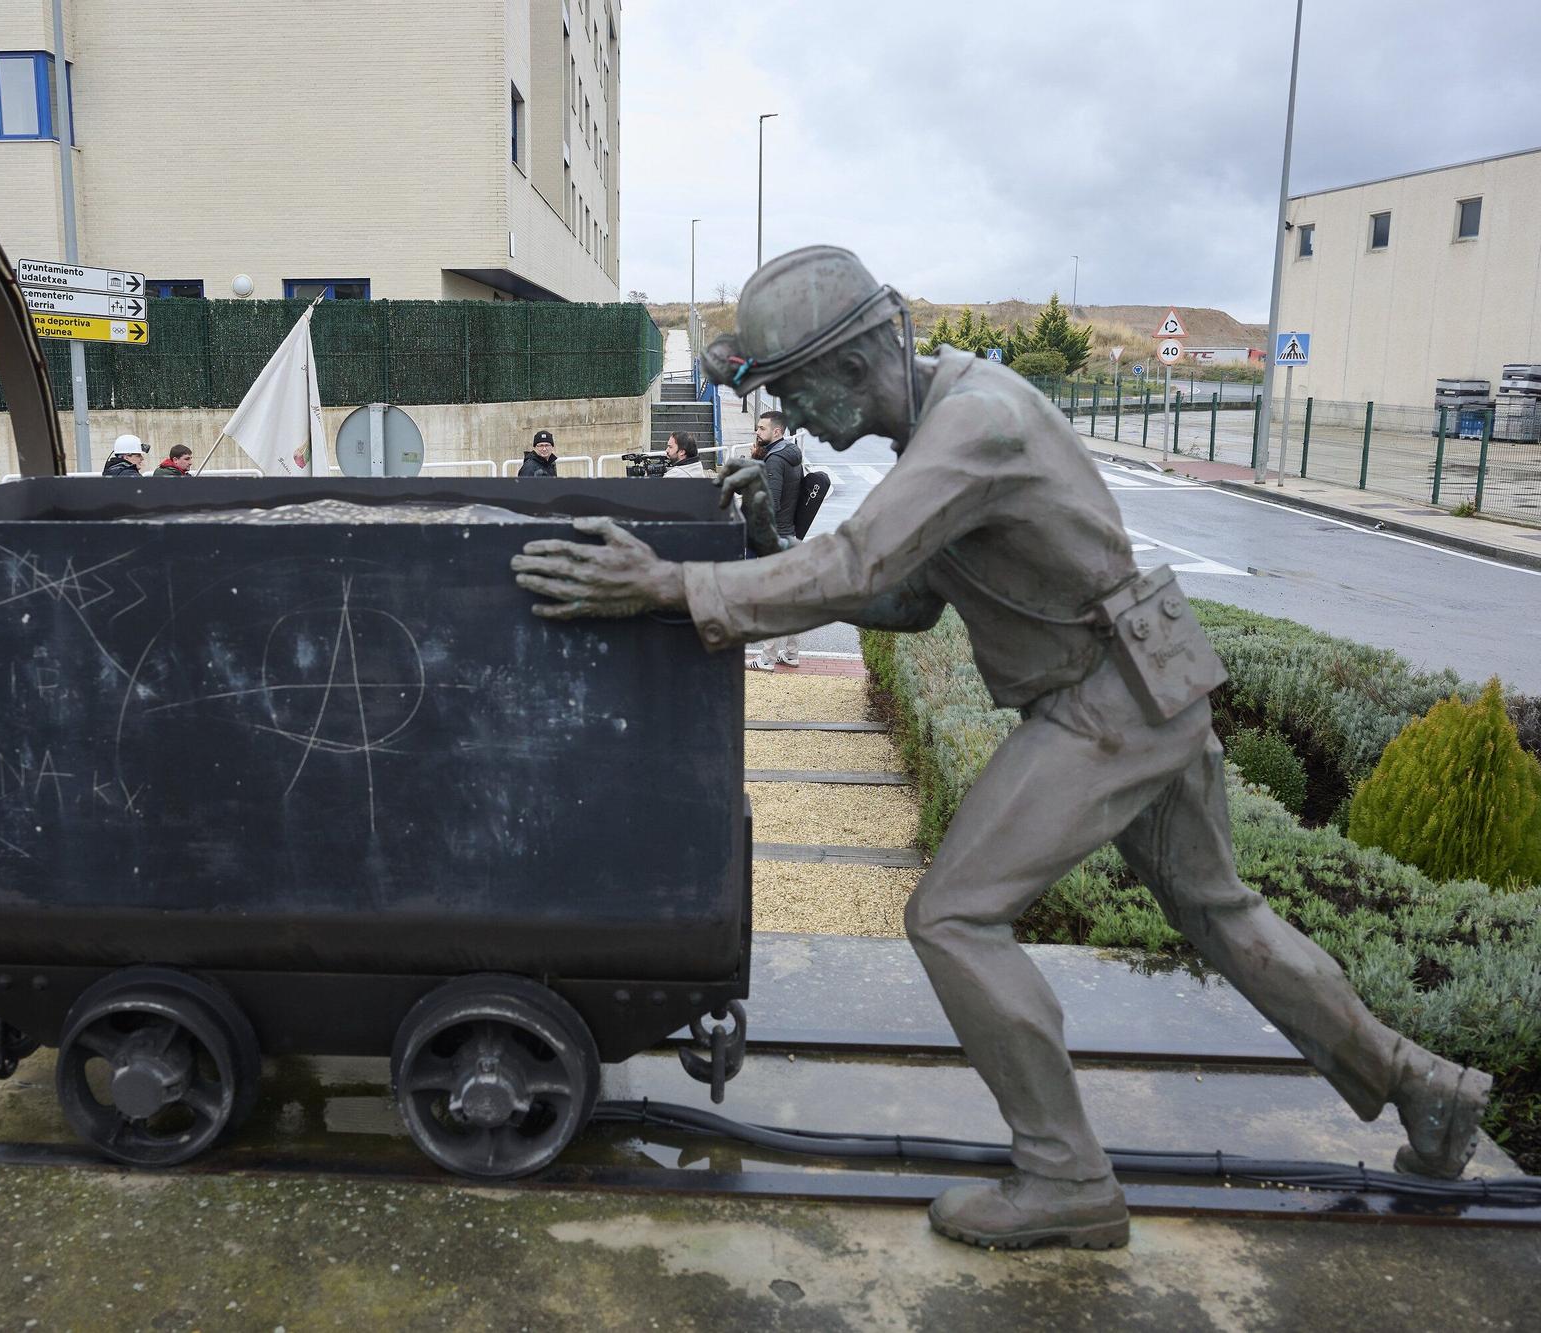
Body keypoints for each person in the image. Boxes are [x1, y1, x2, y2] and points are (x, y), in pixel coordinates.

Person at [510, 245, 1491, 1252]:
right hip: (1144, 680)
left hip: (1103, 702)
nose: (792, 419)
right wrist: (762, 557)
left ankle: (1064, 1174)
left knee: (951, 915)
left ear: (853, 362)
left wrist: (674, 586)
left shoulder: (972, 424)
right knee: (1221, 913)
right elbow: (909, 597)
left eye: (794, 391)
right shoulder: (947, 425)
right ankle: (1421, 1087)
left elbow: (857, 563)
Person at [746, 410, 804, 670]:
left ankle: (767, 658)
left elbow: (771, 501)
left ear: (777, 432)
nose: (757, 433)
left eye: (761, 428)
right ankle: (791, 653)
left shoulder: (775, 460)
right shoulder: (791, 455)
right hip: (789, 533)